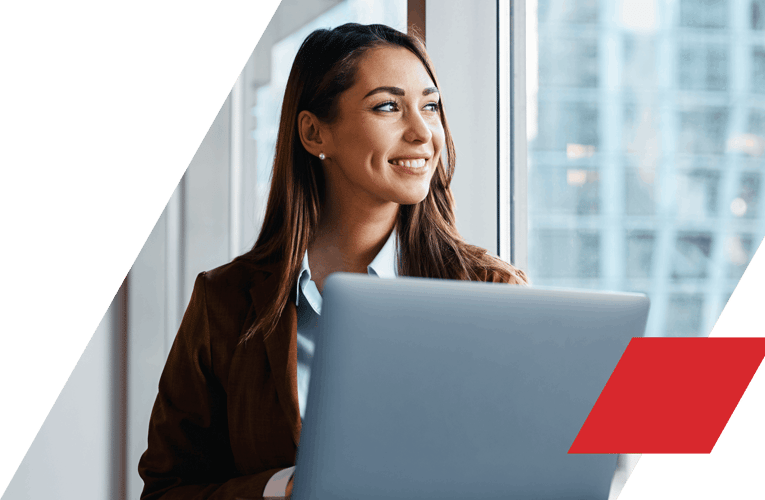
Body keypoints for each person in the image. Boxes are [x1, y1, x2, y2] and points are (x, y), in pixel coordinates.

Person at [138, 23, 528, 500]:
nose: (423, 132)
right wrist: (285, 489)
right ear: (313, 132)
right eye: (388, 106)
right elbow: (166, 490)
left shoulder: (491, 292)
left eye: (430, 106)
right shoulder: (224, 303)